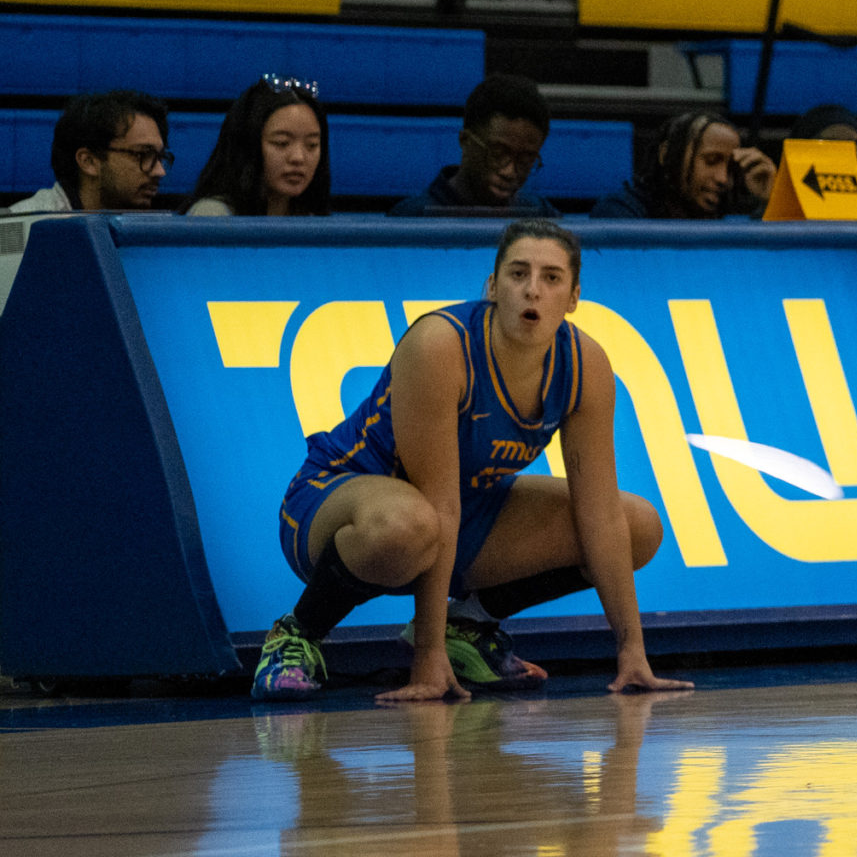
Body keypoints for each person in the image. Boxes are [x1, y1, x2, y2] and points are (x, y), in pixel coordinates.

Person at [248, 221, 690, 702]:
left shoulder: (585, 364)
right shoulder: (441, 345)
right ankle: (297, 633)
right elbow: (440, 508)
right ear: (493, 286)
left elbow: (599, 514)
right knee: (409, 524)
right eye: (518, 274)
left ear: (574, 296)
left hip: (456, 512)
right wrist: (425, 658)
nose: (533, 291)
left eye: (551, 278)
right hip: (339, 499)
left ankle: (468, 624)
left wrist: (631, 651)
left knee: (636, 527)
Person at [390, 76, 559, 218]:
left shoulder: (540, 216)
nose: (509, 172)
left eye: (525, 161)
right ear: (465, 141)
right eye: (498, 154)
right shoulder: (412, 216)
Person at [6, 91, 172, 214]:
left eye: (160, 157)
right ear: (88, 161)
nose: (160, 171)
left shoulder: (146, 230)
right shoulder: (23, 233)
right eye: (143, 155)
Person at [184, 77, 329, 217]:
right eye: (282, 143)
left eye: (312, 145)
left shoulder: (314, 219)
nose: (298, 157)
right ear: (248, 145)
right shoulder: (213, 214)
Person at [589, 112, 774, 219]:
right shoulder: (620, 212)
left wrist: (771, 201)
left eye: (731, 169)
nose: (723, 179)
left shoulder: (728, 213)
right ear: (667, 155)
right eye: (711, 161)